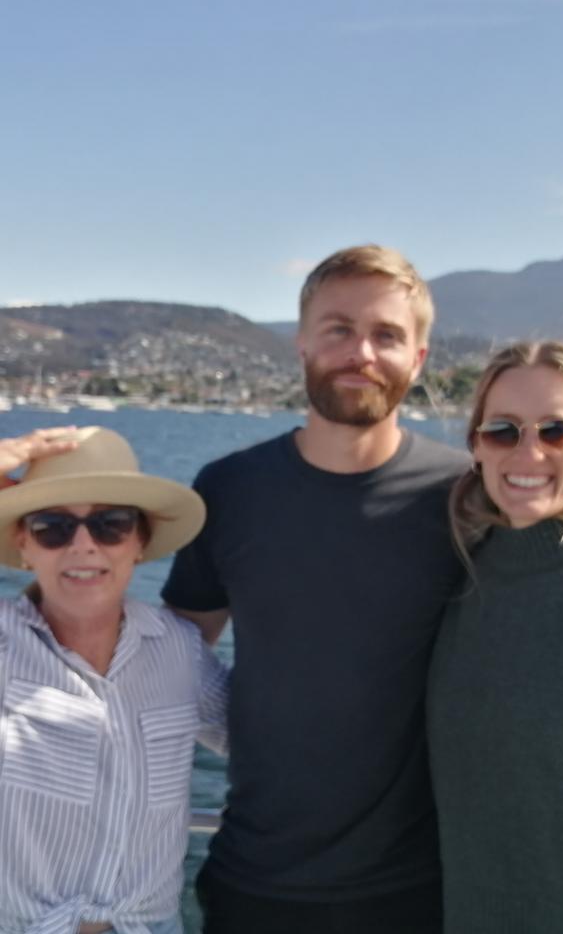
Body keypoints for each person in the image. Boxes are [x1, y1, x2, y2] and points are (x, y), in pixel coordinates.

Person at [163, 243, 468, 934]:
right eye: (339, 328)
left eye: (387, 334)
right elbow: (171, 652)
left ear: (418, 359)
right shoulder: (230, 489)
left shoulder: (467, 499)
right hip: (252, 882)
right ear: (302, 342)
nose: (361, 351)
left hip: (420, 890)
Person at [428, 339, 563, 934]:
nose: (529, 451)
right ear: (476, 446)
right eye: (503, 430)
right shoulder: (462, 574)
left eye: (556, 430)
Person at [0, 425, 229, 934]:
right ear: (24, 546)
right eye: (52, 527)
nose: (83, 545)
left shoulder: (178, 649)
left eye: (111, 524)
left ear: (140, 543)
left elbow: (260, 741)